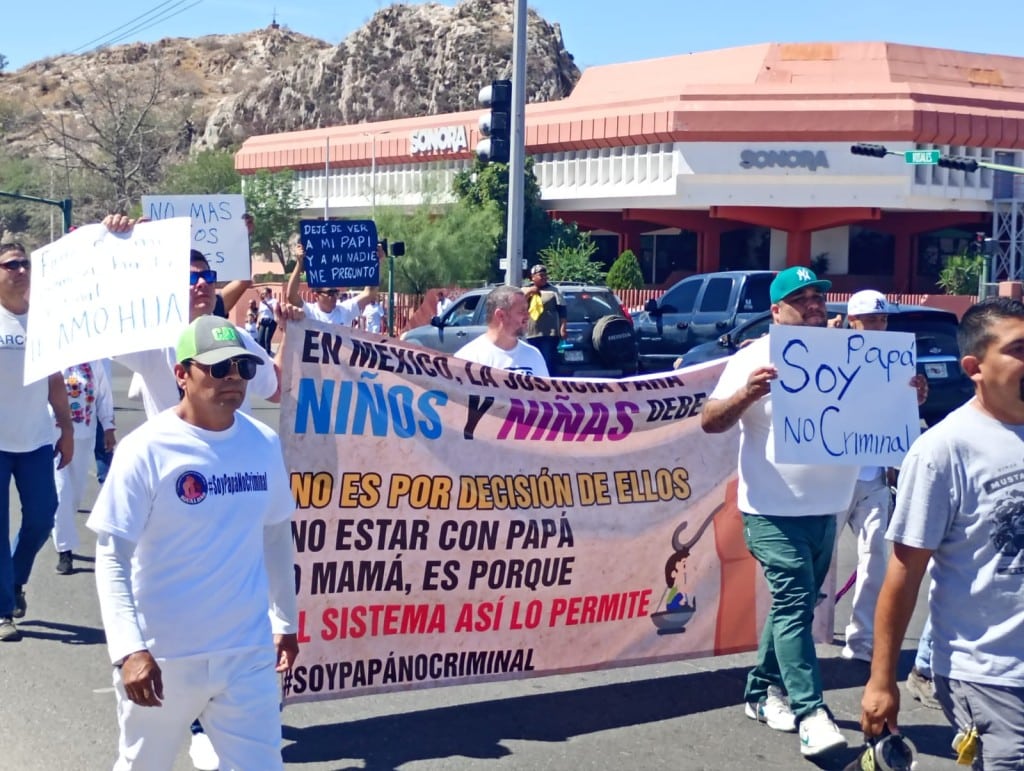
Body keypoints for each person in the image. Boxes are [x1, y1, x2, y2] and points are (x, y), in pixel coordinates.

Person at [88, 315, 298, 769]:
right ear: (181, 374)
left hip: (246, 653)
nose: (233, 379)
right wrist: (129, 649)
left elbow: (276, 532)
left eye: (242, 367)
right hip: (164, 656)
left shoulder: (263, 443)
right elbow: (112, 556)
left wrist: (285, 620)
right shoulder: (146, 449)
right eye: (218, 368)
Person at [700, 266, 859, 758]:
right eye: (800, 298)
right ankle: (811, 712)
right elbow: (710, 420)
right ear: (776, 311)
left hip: (827, 507)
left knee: (798, 603)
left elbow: (875, 412)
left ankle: (758, 691)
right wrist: (748, 392)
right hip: (771, 509)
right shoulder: (753, 357)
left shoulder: (848, 353)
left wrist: (905, 396)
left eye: (818, 296)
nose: (814, 304)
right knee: (793, 601)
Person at [861, 296, 1024, 770]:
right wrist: (881, 681)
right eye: (1018, 350)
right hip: (990, 676)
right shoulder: (943, 450)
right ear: (974, 367)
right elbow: (904, 572)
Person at [834, 289, 928, 663]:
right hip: (830, 479)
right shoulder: (828, 355)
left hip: (873, 478)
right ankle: (807, 637)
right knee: (818, 566)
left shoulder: (895, 362)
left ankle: (861, 642)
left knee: (874, 560)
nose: (878, 326)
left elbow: (898, 417)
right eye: (871, 319)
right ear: (852, 321)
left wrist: (914, 398)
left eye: (883, 319)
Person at [0, 241, 75, 642]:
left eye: (25, 264)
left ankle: (13, 580)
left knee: (43, 518)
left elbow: (55, 380)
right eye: (11, 264)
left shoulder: (41, 321)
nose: (20, 270)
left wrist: (67, 428)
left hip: (35, 441)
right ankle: (2, 611)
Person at [52, 360, 116, 575]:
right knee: (62, 492)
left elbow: (104, 395)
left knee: (75, 495)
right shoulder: (53, 360)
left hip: (84, 436)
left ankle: (60, 527)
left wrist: (108, 427)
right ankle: (65, 550)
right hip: (53, 436)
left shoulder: (94, 362)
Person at [454, 285, 549, 377]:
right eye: (522, 311)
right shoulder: (468, 358)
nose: (528, 316)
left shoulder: (533, 355)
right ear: (500, 315)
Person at [285, 246, 376, 326]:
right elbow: (291, 296)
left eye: (335, 292)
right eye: (330, 293)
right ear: (316, 296)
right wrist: (299, 263)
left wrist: (376, 261)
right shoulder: (309, 311)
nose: (334, 297)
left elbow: (369, 294)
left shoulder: (344, 311)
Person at [521, 264, 567, 375]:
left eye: (545, 275)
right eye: (541, 275)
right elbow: (518, 305)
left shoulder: (554, 291)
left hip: (549, 333)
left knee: (547, 360)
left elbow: (562, 310)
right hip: (530, 333)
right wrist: (530, 292)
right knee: (532, 361)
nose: (544, 278)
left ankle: (547, 380)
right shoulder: (524, 290)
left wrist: (563, 328)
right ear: (533, 277)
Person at [256, 286, 278, 354]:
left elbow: (274, 311)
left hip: (270, 321)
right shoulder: (261, 302)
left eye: (265, 293)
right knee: (260, 339)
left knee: (267, 340)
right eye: (263, 294)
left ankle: (267, 354)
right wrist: (257, 322)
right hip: (263, 321)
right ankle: (261, 354)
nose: (264, 295)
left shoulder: (274, 301)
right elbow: (260, 313)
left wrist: (267, 304)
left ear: (270, 293)